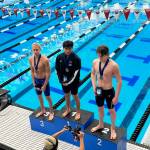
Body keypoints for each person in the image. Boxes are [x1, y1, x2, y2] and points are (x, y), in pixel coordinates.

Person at [91, 45, 122, 140]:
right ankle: (100, 124)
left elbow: (119, 81)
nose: (99, 58)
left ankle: (113, 128)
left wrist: (116, 97)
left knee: (111, 110)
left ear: (107, 55)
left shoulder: (114, 65)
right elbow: (92, 74)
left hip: (109, 91)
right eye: (98, 56)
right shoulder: (95, 62)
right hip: (99, 90)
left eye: (101, 56)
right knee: (100, 108)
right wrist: (94, 86)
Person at [55, 40, 81, 120]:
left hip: (74, 81)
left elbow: (75, 73)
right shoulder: (59, 57)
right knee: (66, 95)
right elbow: (57, 70)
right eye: (66, 48)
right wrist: (60, 80)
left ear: (72, 48)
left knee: (75, 95)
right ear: (63, 48)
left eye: (69, 48)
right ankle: (68, 109)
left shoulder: (76, 59)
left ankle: (78, 112)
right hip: (64, 80)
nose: (68, 50)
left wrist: (68, 82)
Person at [29, 43, 54, 120]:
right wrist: (33, 81)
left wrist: (45, 84)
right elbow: (32, 71)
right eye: (34, 50)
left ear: (40, 50)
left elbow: (48, 73)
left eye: (37, 50)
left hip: (44, 81)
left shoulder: (45, 60)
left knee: (47, 96)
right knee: (39, 96)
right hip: (36, 80)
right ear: (32, 50)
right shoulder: (30, 59)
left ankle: (51, 111)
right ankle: (43, 110)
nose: (35, 51)